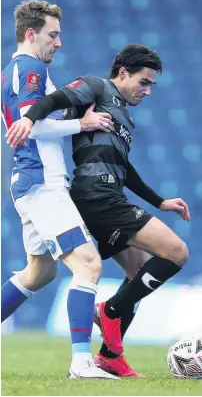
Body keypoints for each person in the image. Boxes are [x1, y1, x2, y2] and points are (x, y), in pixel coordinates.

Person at [5, 44, 190, 378]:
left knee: (139, 270)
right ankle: (109, 311)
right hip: (96, 196)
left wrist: (160, 202)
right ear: (122, 74)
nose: (147, 91)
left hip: (106, 195)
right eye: (143, 82)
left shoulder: (123, 117)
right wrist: (29, 119)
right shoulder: (95, 87)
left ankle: (109, 355)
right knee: (177, 252)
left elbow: (124, 168)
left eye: (151, 85)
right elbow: (54, 100)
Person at [1, 0, 119, 380]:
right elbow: (28, 124)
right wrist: (81, 125)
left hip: (31, 182)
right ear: (31, 34)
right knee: (88, 264)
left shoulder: (11, 72)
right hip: (42, 184)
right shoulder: (30, 67)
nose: (59, 42)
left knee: (39, 273)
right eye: (53, 35)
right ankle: (82, 364)